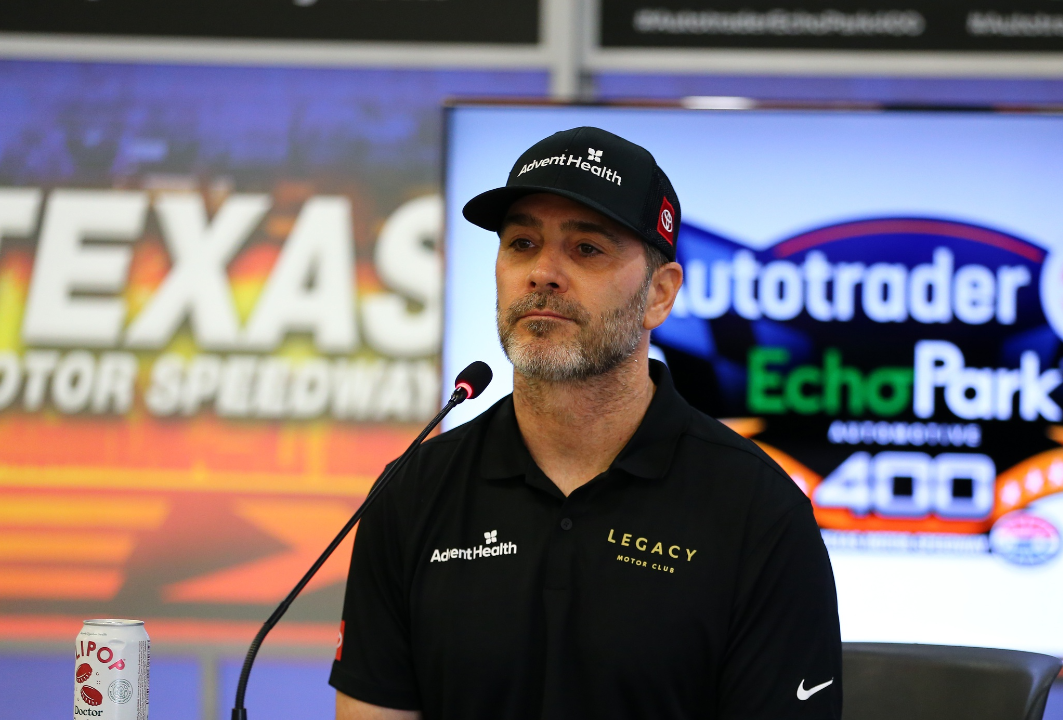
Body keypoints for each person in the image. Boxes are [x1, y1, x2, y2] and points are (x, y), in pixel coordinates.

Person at [330, 126, 842, 720]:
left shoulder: (760, 511)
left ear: (660, 295)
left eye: (587, 249)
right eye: (522, 243)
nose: (542, 272)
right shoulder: (412, 493)